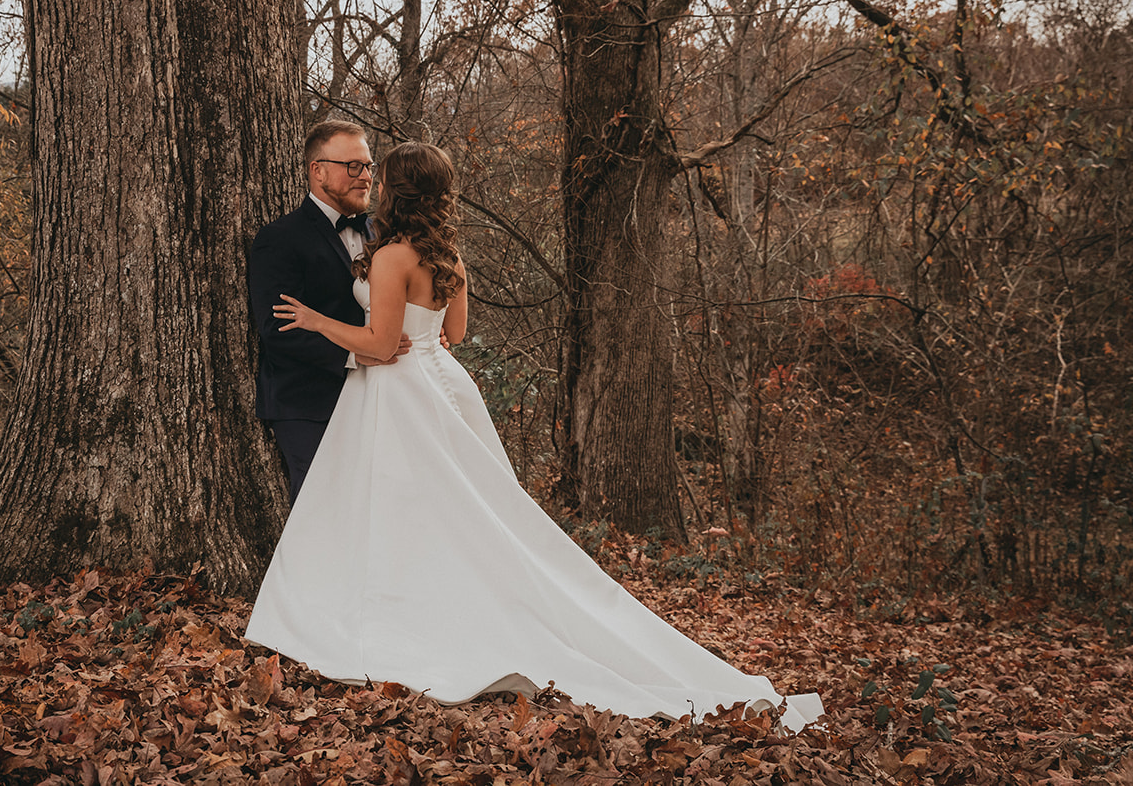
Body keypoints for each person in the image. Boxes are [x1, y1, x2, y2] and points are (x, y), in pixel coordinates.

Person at [244, 142, 824, 731]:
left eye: (381, 175)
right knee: (459, 511)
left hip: (399, 390)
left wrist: (316, 320)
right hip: (442, 381)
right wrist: (420, 331)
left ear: (398, 191)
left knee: (407, 508)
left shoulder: (393, 255)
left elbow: (379, 345)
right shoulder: (448, 255)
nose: (373, 182)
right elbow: (456, 332)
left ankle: (396, 616)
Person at [248, 120, 411, 501]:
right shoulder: (279, 239)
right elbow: (277, 329)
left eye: (368, 166)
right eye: (352, 166)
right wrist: (356, 354)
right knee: (323, 510)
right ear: (317, 171)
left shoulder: (381, 234)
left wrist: (426, 333)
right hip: (309, 404)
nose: (365, 176)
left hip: (381, 395)